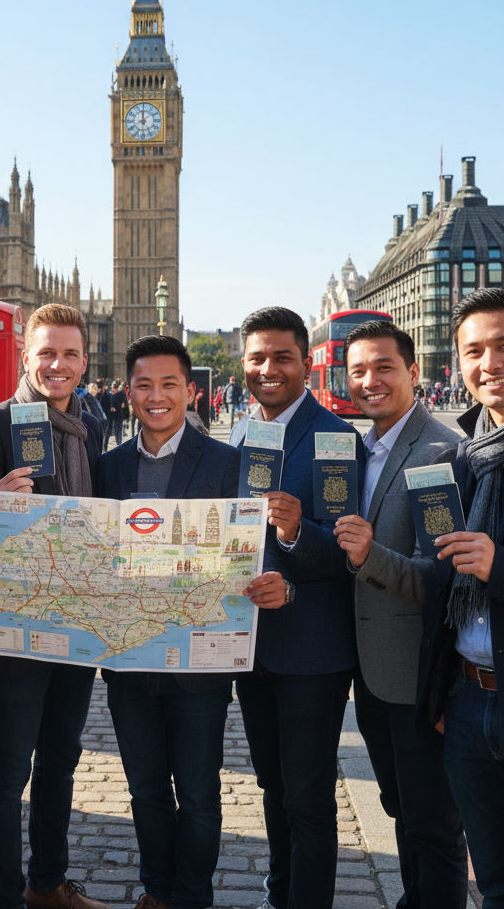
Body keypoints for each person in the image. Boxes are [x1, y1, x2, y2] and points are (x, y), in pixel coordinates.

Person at [349, 288, 504, 906]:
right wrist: (368, 557)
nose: (491, 364)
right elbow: (439, 583)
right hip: (466, 706)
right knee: (500, 888)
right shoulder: (464, 458)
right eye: (474, 351)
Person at [97, 335, 287, 909]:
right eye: (145, 385)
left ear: (190, 391)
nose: (157, 397)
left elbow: (260, 544)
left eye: (169, 385)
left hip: (199, 665)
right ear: (129, 392)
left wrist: (275, 578)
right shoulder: (106, 468)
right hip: (130, 663)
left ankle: (192, 897)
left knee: (200, 796)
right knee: (146, 793)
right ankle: (158, 891)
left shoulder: (228, 462)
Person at [0, 303, 105, 909]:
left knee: (62, 760)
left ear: (85, 361)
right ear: (25, 356)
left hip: (80, 624)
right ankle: (4, 897)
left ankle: (48, 883)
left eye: (69, 354)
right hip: (15, 627)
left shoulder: (91, 428)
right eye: (46, 352)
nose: (57, 365)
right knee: (9, 767)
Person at [325, 320, 468, 909]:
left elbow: (445, 576)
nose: (370, 381)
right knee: (399, 810)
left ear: (414, 372)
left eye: (384, 367)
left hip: (415, 675)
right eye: (358, 370)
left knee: (432, 823)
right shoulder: (362, 449)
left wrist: (369, 554)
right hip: (374, 672)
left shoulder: (438, 453)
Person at [229, 306, 363, 909]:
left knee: (307, 795)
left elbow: (346, 554)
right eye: (257, 357)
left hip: (311, 650)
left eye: (282, 356)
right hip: (250, 646)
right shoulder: (237, 432)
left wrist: (292, 534)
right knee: (271, 784)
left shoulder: (334, 438)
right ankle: (279, 893)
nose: (268, 369)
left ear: (306, 363)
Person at [107, 381, 129, 449]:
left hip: (119, 414)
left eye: (113, 387)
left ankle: (118, 442)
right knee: (116, 429)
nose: (113, 389)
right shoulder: (111, 394)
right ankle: (117, 441)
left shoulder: (120, 394)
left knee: (119, 428)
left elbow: (124, 404)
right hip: (113, 414)